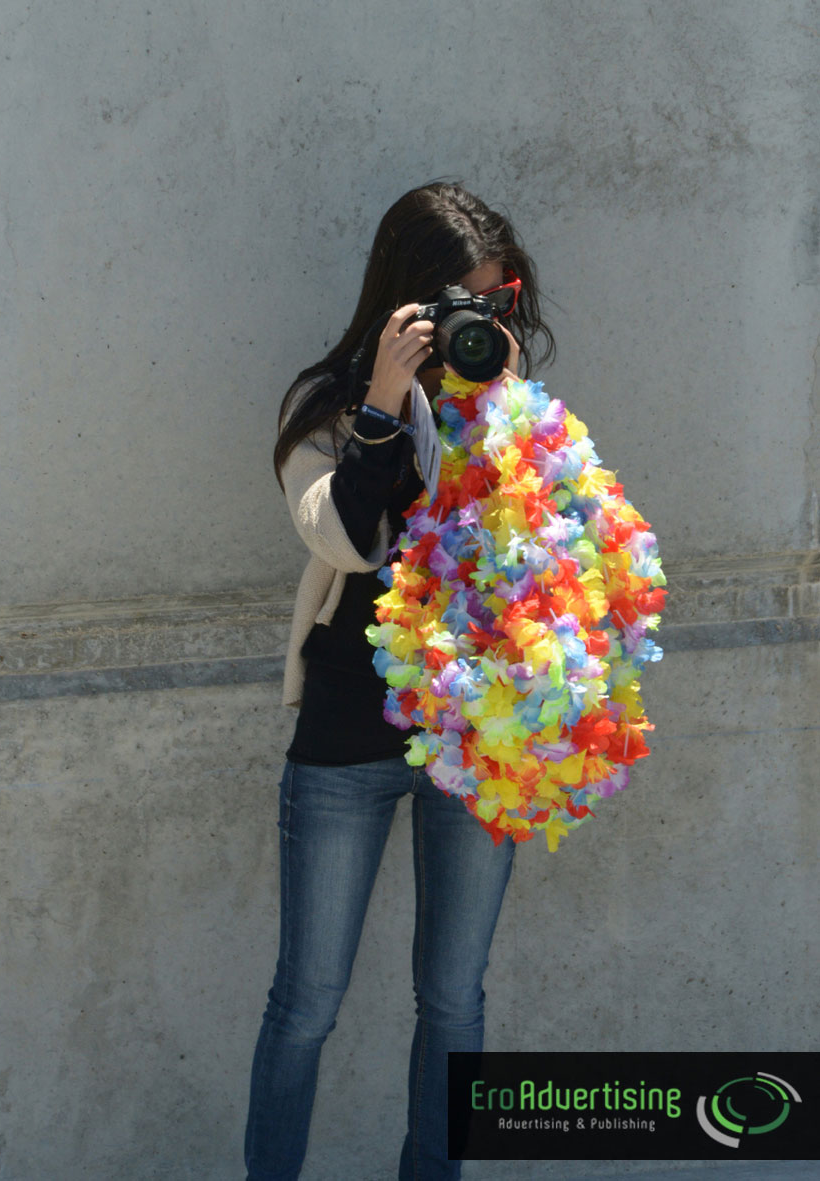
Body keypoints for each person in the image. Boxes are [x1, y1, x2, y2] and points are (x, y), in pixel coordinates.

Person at [244, 181, 556, 1180]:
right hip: (345, 744)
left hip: (473, 740)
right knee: (307, 1001)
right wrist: (384, 401)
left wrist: (505, 411)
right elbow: (342, 535)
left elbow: (540, 549)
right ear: (401, 302)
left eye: (492, 302)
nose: (474, 323)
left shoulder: (501, 406)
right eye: (453, 305)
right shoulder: (324, 404)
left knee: (455, 995)